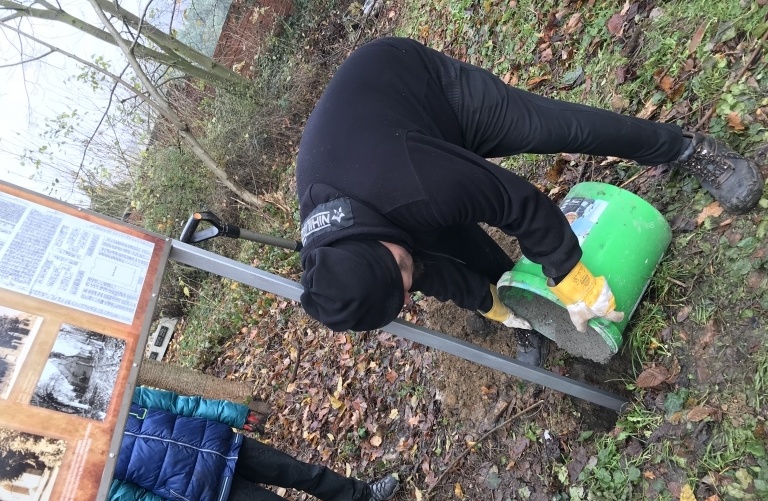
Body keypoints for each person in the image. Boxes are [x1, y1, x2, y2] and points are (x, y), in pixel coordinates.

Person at [296, 37, 764, 364]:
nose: (408, 275)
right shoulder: (349, 256)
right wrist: (492, 303)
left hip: (419, 87)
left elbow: (515, 202)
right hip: (386, 153)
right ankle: (519, 301)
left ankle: (687, 148)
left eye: (399, 268)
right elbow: (421, 268)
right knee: (441, 245)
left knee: (558, 129)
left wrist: (568, 274)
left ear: (369, 243)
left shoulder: (412, 186)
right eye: (399, 287)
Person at [106, 386, 398, 501]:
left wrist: (232, 413)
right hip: (214, 493)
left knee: (302, 472)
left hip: (225, 446)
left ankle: (363, 496)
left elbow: (181, 405)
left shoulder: (116, 397)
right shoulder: (91, 472)